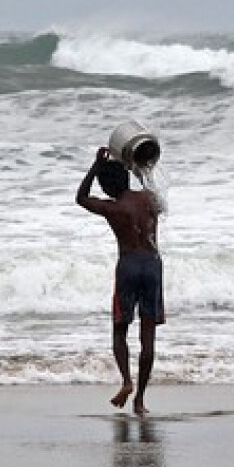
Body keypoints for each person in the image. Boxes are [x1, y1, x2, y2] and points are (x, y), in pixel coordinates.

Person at [76, 147, 164, 417]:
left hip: (127, 266)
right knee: (147, 336)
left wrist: (94, 166)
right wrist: (139, 167)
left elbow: (81, 198)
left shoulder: (113, 208)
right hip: (152, 265)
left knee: (119, 329)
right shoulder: (150, 199)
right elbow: (157, 192)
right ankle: (140, 400)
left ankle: (126, 380)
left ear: (107, 186)